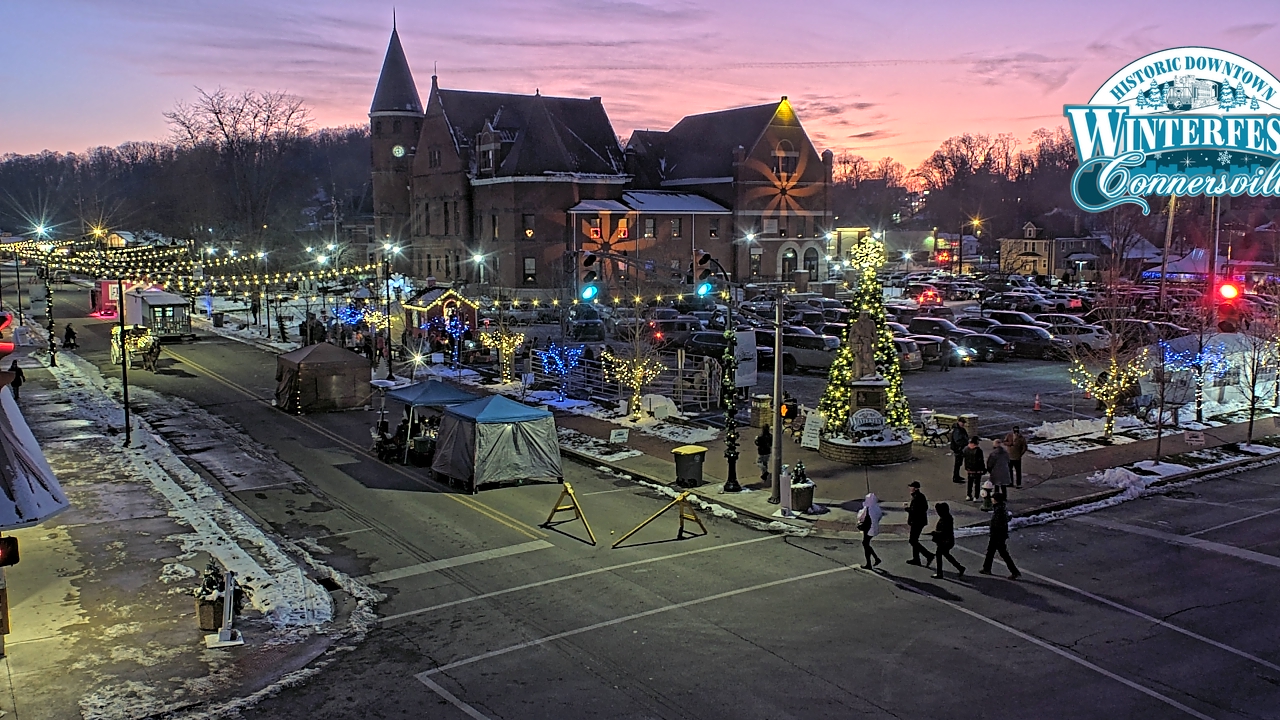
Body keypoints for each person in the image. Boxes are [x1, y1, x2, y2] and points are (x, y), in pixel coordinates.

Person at [980, 498, 1020, 579]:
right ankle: (986, 568)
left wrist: (994, 533)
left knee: (1003, 554)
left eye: (993, 499)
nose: (991, 500)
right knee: (991, 552)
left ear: (996, 500)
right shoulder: (1000, 509)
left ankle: (1014, 571)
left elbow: (998, 525)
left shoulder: (999, 511)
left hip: (997, 536)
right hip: (998, 535)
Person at [929, 502, 965, 580]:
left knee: (939, 555)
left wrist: (935, 533)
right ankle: (960, 567)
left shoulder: (945, 519)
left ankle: (939, 573)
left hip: (945, 541)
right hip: (947, 541)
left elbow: (944, 532)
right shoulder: (947, 517)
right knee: (946, 555)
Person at [905, 481, 934, 567]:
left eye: (911, 487)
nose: (910, 488)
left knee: (912, 540)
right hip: (919, 521)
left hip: (917, 522)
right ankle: (916, 559)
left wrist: (907, 509)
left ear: (916, 488)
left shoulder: (917, 497)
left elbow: (915, 511)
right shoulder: (919, 496)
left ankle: (928, 555)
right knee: (914, 540)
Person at [856, 493, 883, 569]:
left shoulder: (868, 509)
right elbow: (879, 516)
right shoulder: (876, 508)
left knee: (865, 544)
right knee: (866, 543)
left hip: (868, 529)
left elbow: (860, 516)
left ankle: (869, 563)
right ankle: (876, 559)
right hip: (874, 528)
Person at [986, 438, 1012, 503]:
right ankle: (1004, 497)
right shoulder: (1005, 452)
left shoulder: (993, 454)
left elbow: (990, 463)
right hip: (1004, 470)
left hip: (996, 471)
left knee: (996, 485)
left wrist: (989, 470)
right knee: (1003, 485)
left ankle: (996, 498)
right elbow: (1008, 460)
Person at [963, 437, 985, 502]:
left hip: (969, 469)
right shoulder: (978, 450)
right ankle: (976, 496)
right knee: (977, 483)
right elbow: (981, 461)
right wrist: (983, 469)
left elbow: (965, 459)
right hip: (977, 469)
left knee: (970, 482)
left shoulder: (966, 449)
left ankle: (968, 495)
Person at [949, 417, 969, 484]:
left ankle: (957, 476)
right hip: (958, 449)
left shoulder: (960, 429)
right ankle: (956, 477)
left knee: (958, 463)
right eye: (962, 423)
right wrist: (965, 443)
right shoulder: (957, 430)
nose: (963, 424)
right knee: (957, 464)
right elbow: (958, 441)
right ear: (959, 422)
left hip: (960, 449)